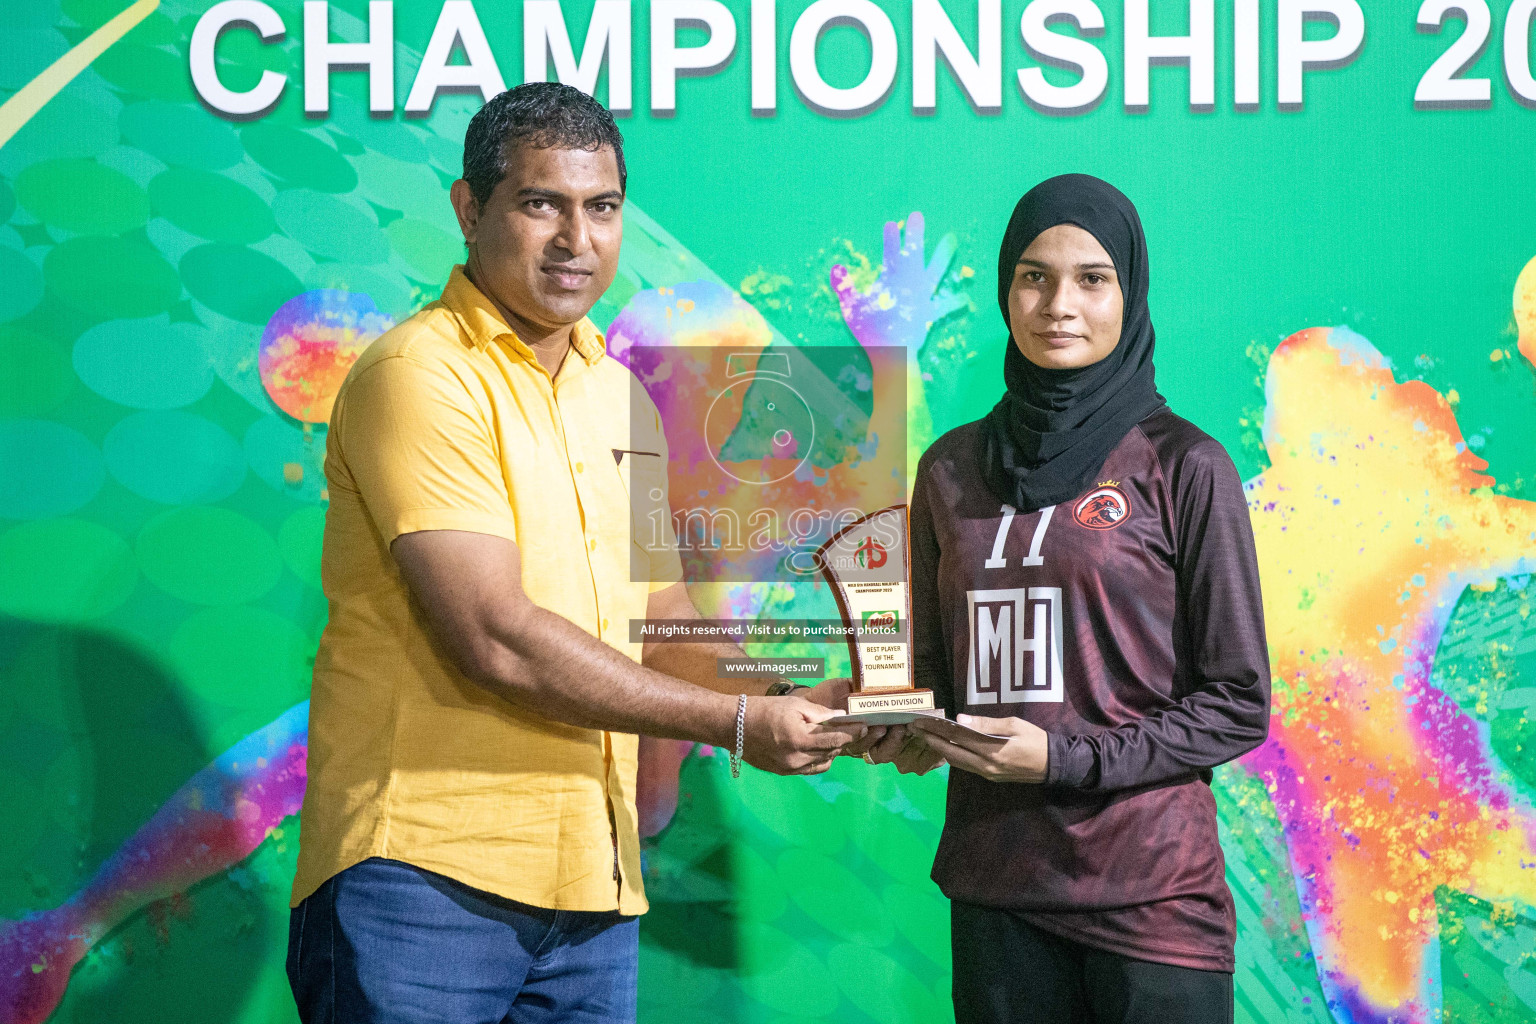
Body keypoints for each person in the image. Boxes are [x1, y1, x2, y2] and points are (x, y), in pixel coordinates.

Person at [285, 82, 869, 1023]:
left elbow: (661, 618)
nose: (577, 240)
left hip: (594, 890)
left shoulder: (616, 397)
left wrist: (788, 694)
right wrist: (736, 726)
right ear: (469, 210)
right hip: (421, 883)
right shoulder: (418, 376)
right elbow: (497, 637)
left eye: (601, 208)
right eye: (540, 204)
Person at [866, 174, 1271, 1024]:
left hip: (1151, 900)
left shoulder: (1184, 466)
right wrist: (890, 722)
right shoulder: (947, 468)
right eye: (1033, 276)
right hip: (997, 887)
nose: (1060, 303)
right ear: (1007, 290)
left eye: (1093, 279)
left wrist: (1062, 759)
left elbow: (1237, 705)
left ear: (1131, 292)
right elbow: (936, 677)